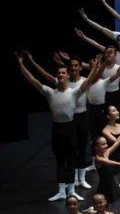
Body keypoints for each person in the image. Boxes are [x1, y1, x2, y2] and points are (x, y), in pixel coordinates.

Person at [17, 53, 103, 201]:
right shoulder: (50, 93)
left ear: (67, 75)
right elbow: (33, 80)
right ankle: (61, 191)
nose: (61, 75)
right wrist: (21, 64)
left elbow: (89, 81)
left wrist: (95, 67)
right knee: (60, 160)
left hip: (70, 128)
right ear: (57, 77)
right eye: (58, 73)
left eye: (63, 73)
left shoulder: (74, 92)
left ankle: (71, 190)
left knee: (70, 159)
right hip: (57, 129)